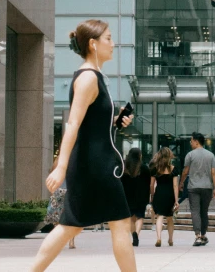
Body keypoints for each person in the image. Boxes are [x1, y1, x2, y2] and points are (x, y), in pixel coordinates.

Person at [31, 19, 136, 272]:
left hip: (94, 163)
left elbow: (91, 126)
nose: (113, 43)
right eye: (108, 38)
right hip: (95, 166)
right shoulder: (89, 78)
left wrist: (115, 123)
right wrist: (61, 167)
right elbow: (73, 124)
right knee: (119, 224)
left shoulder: (94, 77)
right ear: (93, 44)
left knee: (71, 225)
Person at [179, 132, 215, 246]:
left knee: (195, 211)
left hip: (193, 187)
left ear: (196, 141)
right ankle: (203, 235)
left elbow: (185, 171)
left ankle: (197, 236)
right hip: (207, 187)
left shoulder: (190, 155)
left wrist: (181, 182)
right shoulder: (210, 155)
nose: (190, 143)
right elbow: (213, 172)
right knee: (204, 211)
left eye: (191, 141)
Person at [44, 155, 77, 249]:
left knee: (56, 218)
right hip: (68, 191)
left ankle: (57, 241)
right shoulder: (70, 163)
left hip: (58, 191)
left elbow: (51, 177)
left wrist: (52, 192)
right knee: (70, 217)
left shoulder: (56, 165)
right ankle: (71, 241)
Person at [121, 148, 151, 247]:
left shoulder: (125, 168)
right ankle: (137, 234)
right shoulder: (144, 168)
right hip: (141, 196)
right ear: (139, 156)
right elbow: (148, 183)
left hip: (127, 196)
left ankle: (134, 234)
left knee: (131, 218)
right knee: (140, 217)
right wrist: (149, 196)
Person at [150, 147, 179, 247]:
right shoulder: (173, 169)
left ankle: (158, 238)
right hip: (170, 194)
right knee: (170, 218)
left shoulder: (155, 168)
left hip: (159, 193)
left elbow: (151, 184)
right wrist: (176, 200)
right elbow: (175, 186)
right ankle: (170, 240)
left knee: (160, 216)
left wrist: (152, 195)